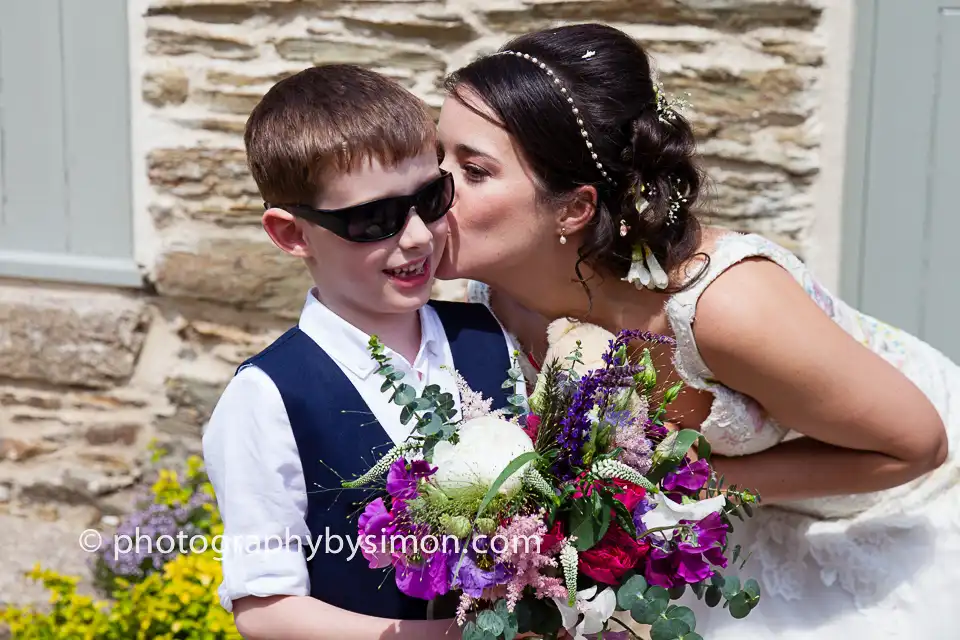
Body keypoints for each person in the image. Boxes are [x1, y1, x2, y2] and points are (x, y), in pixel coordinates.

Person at [434, 22, 960, 639]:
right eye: (437, 154)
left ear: (574, 209)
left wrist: (660, 494)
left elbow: (916, 448)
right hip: (719, 527)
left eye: (472, 170)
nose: (431, 187)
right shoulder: (488, 292)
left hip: (892, 504)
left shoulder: (724, 306)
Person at [201, 64, 526, 640]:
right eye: (374, 218)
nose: (419, 236)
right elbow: (266, 606)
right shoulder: (269, 396)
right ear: (292, 234)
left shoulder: (490, 333)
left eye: (430, 197)